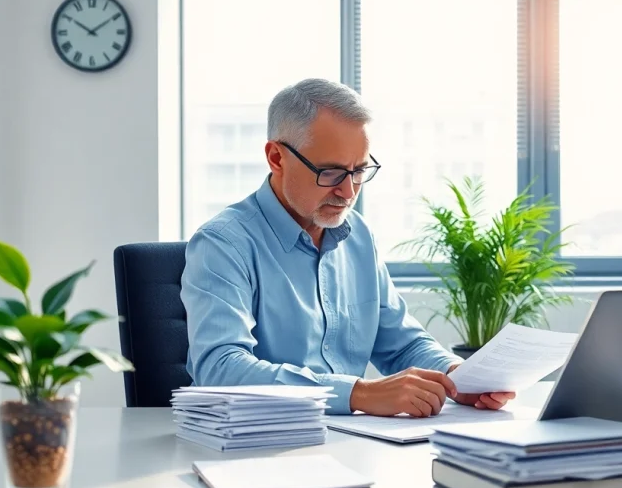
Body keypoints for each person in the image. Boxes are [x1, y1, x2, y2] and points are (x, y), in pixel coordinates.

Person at [181, 78, 515, 417]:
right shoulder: (222, 244)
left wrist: (457, 378)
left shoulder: (357, 235)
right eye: (330, 172)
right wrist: (357, 394)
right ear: (276, 157)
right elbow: (221, 370)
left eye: (359, 171)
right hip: (257, 445)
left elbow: (401, 343)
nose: (348, 192)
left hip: (350, 445)